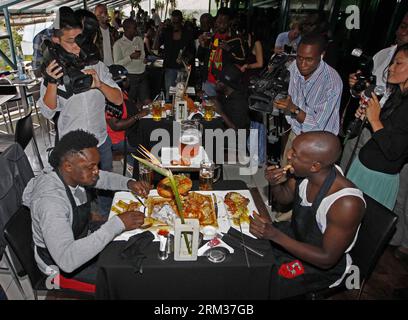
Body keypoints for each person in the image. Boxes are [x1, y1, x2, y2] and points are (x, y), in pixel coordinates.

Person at [22, 130, 150, 288]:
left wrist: (129, 183)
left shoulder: (73, 174)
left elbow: (102, 177)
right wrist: (117, 224)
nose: (96, 171)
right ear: (68, 166)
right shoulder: (51, 203)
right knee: (127, 278)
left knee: (139, 246)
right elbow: (67, 260)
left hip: (80, 237)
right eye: (91, 167)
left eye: (96, 165)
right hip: (58, 269)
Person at [250, 131, 365, 299]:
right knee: (249, 249)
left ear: (315, 166)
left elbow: (327, 259)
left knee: (265, 280)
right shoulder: (304, 174)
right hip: (296, 237)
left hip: (320, 265)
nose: (288, 156)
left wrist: (275, 235)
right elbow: (285, 198)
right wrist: (274, 183)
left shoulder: (346, 203)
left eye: (295, 154)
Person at [38, 7, 123, 218]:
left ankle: (107, 221)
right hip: (72, 149)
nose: (77, 47)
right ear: (56, 41)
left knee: (105, 191)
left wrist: (100, 84)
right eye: (70, 41)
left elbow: (118, 99)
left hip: (100, 142)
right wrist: (51, 82)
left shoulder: (97, 65)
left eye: (80, 39)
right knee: (77, 199)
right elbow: (48, 112)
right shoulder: (53, 69)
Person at [346, 44, 408, 211]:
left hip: (376, 181)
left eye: (398, 63)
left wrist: (374, 120)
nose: (391, 68)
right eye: (392, 62)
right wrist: (367, 116)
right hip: (364, 169)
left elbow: (393, 151)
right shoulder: (397, 95)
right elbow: (386, 130)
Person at [274, 33, 343, 167]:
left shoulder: (331, 83)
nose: (302, 64)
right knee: (286, 177)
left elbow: (318, 126)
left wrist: (293, 109)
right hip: (295, 133)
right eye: (299, 57)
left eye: (309, 59)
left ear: (322, 55)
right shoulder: (294, 66)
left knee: (308, 185)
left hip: (318, 144)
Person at [200, 7, 246, 97]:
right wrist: (202, 45)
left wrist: (229, 49)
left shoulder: (236, 39)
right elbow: (201, 57)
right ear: (216, 21)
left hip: (225, 84)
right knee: (207, 108)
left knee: (221, 110)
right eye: (219, 22)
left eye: (224, 23)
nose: (221, 25)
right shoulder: (212, 37)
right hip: (209, 80)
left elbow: (242, 59)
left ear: (229, 23)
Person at [153, 10, 196, 98]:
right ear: (171, 21)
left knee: (182, 95)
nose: (175, 24)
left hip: (183, 69)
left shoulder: (187, 33)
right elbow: (155, 47)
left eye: (177, 22)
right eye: (173, 22)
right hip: (169, 68)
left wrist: (186, 59)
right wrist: (158, 31)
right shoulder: (166, 32)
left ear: (181, 21)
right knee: (169, 95)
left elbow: (193, 51)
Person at [113, 18, 151, 105]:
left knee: (146, 101)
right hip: (129, 76)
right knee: (130, 103)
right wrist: (130, 57)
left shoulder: (139, 39)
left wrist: (143, 60)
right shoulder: (118, 44)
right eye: (134, 28)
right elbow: (117, 64)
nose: (136, 30)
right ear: (126, 29)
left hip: (142, 74)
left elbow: (143, 55)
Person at [213, 64, 249, 131]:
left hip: (236, 138)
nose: (216, 82)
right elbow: (219, 102)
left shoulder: (239, 103)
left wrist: (221, 113)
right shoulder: (224, 94)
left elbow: (237, 131)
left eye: (219, 80)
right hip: (223, 130)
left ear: (226, 85)